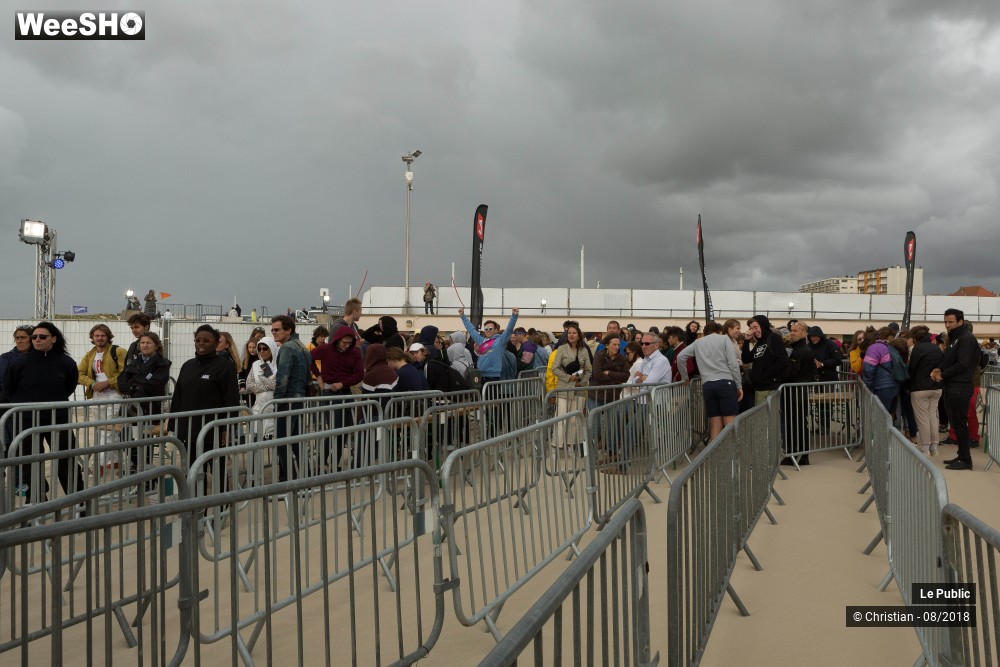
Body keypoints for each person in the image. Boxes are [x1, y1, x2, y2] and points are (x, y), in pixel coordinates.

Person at [4, 322, 86, 502]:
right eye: (34, 337)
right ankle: (36, 499)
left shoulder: (66, 362)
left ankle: (79, 502)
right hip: (27, 420)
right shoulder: (19, 363)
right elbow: (10, 389)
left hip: (58, 418)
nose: (37, 340)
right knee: (30, 462)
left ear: (53, 339)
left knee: (66, 460)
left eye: (42, 337)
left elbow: (68, 387)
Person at [676, 321, 743, 441]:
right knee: (730, 423)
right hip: (725, 383)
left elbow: (680, 357)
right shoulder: (724, 339)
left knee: (715, 424)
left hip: (707, 385)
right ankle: (731, 456)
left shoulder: (698, 342)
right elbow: (733, 364)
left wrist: (685, 377)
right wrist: (739, 385)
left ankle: (714, 458)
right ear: (719, 331)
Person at [931, 309, 980, 470]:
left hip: (960, 386)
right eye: (945, 321)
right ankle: (961, 455)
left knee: (960, 423)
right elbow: (948, 359)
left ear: (960, 321)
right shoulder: (955, 338)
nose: (947, 325)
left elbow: (963, 363)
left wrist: (943, 375)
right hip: (952, 385)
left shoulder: (966, 338)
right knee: (957, 423)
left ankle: (966, 460)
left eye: (950, 322)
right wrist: (939, 369)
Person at [309, 325, 364, 469]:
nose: (346, 346)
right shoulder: (326, 349)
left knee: (344, 429)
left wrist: (343, 383)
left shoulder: (355, 353)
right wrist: (318, 375)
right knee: (334, 429)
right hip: (329, 392)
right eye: (344, 342)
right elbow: (309, 357)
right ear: (338, 340)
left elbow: (359, 374)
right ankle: (322, 460)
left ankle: (335, 462)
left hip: (345, 391)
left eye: (349, 343)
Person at [118, 331, 171, 474]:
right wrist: (139, 384)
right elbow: (121, 382)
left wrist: (135, 381)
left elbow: (155, 384)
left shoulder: (162, 363)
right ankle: (136, 463)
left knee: (145, 438)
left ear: (156, 345)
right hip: (131, 409)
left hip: (150, 408)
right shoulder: (134, 362)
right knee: (124, 435)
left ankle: (145, 468)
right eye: (142, 343)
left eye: (148, 342)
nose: (145, 345)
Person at [271, 315, 313, 481]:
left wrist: (275, 403)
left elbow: (282, 379)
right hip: (300, 400)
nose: (273, 332)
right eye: (272, 329)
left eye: (277, 329)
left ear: (288, 330)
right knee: (297, 443)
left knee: (282, 444)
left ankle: (290, 481)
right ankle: (307, 479)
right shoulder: (302, 346)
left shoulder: (287, 348)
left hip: (287, 401)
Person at [550, 323, 592, 448]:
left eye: (574, 333)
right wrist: (569, 378)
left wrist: (582, 382)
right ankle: (556, 444)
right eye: (569, 333)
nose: (571, 335)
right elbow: (555, 368)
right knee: (561, 418)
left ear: (579, 335)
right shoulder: (561, 349)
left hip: (579, 390)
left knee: (575, 420)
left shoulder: (584, 350)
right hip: (564, 388)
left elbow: (589, 370)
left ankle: (571, 444)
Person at [781, 321, 816, 465]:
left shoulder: (800, 350)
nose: (792, 333)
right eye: (791, 330)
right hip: (797, 392)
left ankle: (798, 455)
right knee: (797, 424)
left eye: (795, 331)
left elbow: (792, 372)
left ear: (804, 333)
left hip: (795, 393)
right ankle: (798, 454)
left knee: (796, 424)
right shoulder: (800, 348)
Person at [459, 307, 519, 383]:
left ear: (495, 330)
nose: (488, 331)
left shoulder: (500, 341)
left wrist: (514, 315)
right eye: (486, 329)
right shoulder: (481, 341)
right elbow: (471, 330)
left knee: (492, 395)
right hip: (480, 375)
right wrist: (463, 316)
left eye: (490, 328)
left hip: (493, 377)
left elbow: (509, 330)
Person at [907, 325, 943, 456]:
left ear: (915, 337)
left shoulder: (918, 349)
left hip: (920, 387)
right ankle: (934, 447)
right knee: (933, 417)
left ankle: (925, 448)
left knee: (923, 418)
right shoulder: (937, 348)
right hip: (937, 386)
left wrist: (908, 384)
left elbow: (912, 368)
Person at [746, 315, 789, 405]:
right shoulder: (760, 342)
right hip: (760, 388)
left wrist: (764, 375)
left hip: (770, 388)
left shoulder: (773, 337)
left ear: (763, 325)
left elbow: (783, 361)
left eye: (755, 327)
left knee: (768, 418)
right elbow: (746, 359)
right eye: (751, 328)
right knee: (761, 418)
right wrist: (746, 341)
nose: (754, 331)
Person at [244, 337, 278, 440]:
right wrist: (266, 387)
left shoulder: (278, 364)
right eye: (260, 349)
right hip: (258, 410)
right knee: (253, 443)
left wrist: (262, 377)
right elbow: (249, 384)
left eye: (265, 348)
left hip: (274, 412)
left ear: (272, 348)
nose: (262, 351)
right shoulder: (256, 364)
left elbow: (274, 385)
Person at [862, 327, 898, 413]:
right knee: (890, 415)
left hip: (881, 386)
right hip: (894, 385)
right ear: (889, 337)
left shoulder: (874, 348)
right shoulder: (892, 347)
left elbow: (868, 369)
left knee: (880, 415)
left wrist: (869, 385)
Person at [590, 334, 631, 408]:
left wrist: (609, 373)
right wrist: (617, 380)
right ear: (607, 345)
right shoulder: (599, 356)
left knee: (610, 419)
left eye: (618, 345)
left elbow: (625, 377)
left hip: (613, 396)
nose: (617, 347)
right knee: (595, 418)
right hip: (596, 394)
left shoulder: (623, 358)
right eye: (614, 344)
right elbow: (597, 375)